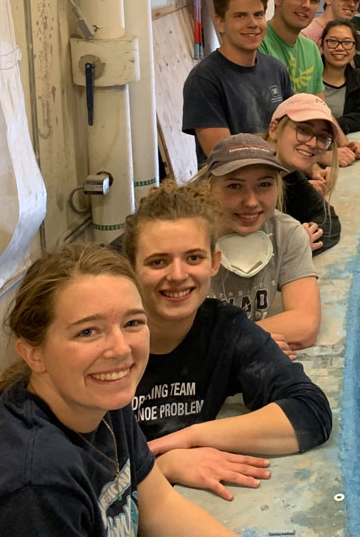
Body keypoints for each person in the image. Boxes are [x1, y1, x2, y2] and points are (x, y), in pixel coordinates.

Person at [0, 243, 233, 535]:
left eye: (132, 322)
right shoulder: (34, 488)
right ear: (34, 353)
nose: (120, 349)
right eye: (88, 331)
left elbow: (159, 505)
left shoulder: (103, 402)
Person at [124, 182, 332, 500]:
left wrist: (191, 437)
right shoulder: (111, 343)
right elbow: (78, 469)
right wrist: (162, 467)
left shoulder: (225, 328)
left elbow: (310, 413)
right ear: (131, 269)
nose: (178, 275)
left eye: (193, 258)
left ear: (214, 262)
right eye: (158, 262)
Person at [204, 135, 323, 346]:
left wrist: (239, 343)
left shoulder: (286, 233)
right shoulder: (187, 237)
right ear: (209, 189)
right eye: (234, 186)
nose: (251, 201)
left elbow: (305, 324)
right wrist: (253, 343)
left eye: (264, 184)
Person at [182, 0, 292, 165]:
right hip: (234, 188)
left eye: (258, 14)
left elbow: (293, 131)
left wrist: (314, 169)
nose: (253, 24)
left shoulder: (276, 69)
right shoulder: (204, 80)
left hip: (278, 177)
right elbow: (228, 159)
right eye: (240, 16)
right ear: (220, 23)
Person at [267, 93, 343, 248]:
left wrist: (298, 240)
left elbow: (328, 223)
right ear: (274, 129)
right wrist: (293, 247)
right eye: (303, 130)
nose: (313, 143)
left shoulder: (289, 174)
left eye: (322, 137)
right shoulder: (250, 174)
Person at [259, 0, 326, 96]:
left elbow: (320, 105)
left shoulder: (311, 49)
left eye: (314, 0)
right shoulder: (258, 44)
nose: (306, 5)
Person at [320, 20, 360, 145]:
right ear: (322, 45)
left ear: (355, 49)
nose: (339, 48)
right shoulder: (309, 75)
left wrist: (338, 125)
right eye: (333, 41)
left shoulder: (359, 79)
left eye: (347, 43)